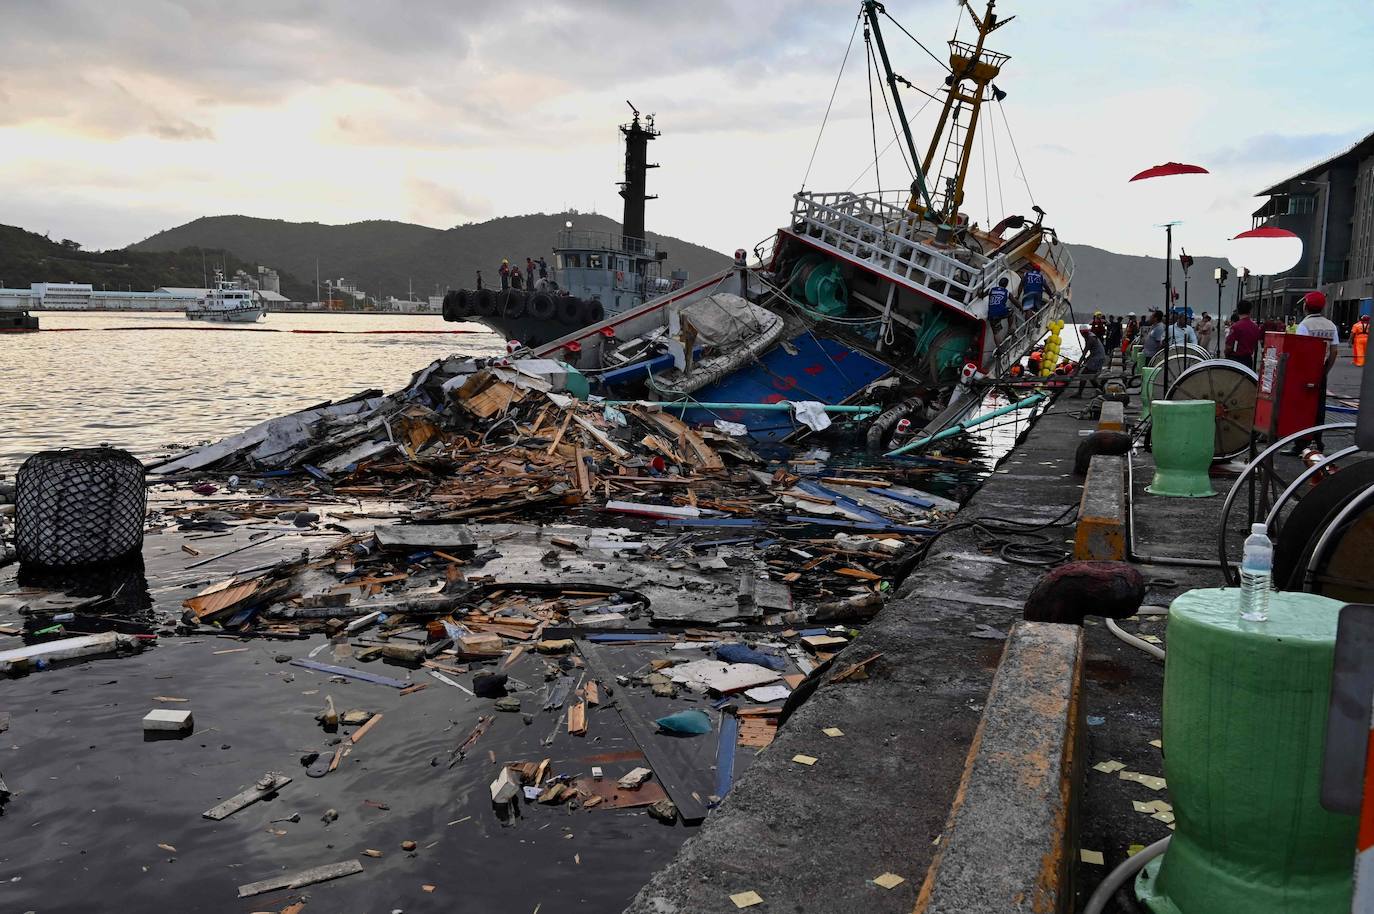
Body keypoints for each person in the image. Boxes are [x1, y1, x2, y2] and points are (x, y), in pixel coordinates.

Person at [1295, 291, 1340, 448]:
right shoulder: (1331, 326)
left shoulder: (1304, 326)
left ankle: (1301, 443)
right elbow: (1334, 351)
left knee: (1302, 407)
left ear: (1306, 306)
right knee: (1319, 407)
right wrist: (1325, 370)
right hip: (1321, 371)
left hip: (1305, 373)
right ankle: (1317, 441)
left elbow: (1300, 351)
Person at [1224, 301, 1263, 370]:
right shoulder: (1255, 327)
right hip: (1248, 360)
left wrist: (1226, 353)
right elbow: (1255, 344)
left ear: (1238, 310)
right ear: (1250, 311)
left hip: (1235, 360)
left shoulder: (1235, 326)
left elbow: (1229, 346)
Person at [1070, 325, 1107, 398]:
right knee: (1090, 375)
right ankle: (1100, 390)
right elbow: (1094, 350)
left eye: (1085, 333)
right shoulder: (1089, 336)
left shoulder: (1090, 338)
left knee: (1085, 374)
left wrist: (1077, 367)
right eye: (1083, 333)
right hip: (1097, 356)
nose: (1084, 335)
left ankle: (1080, 394)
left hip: (1098, 358)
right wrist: (1088, 358)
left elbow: (1084, 353)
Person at [986, 277, 1011, 343]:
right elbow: (1015, 302)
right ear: (1006, 285)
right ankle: (1010, 328)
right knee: (1012, 312)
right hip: (1001, 312)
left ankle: (999, 348)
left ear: (999, 282)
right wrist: (1021, 308)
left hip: (991, 314)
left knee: (996, 333)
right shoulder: (1006, 292)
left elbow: (981, 294)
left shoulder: (991, 289)